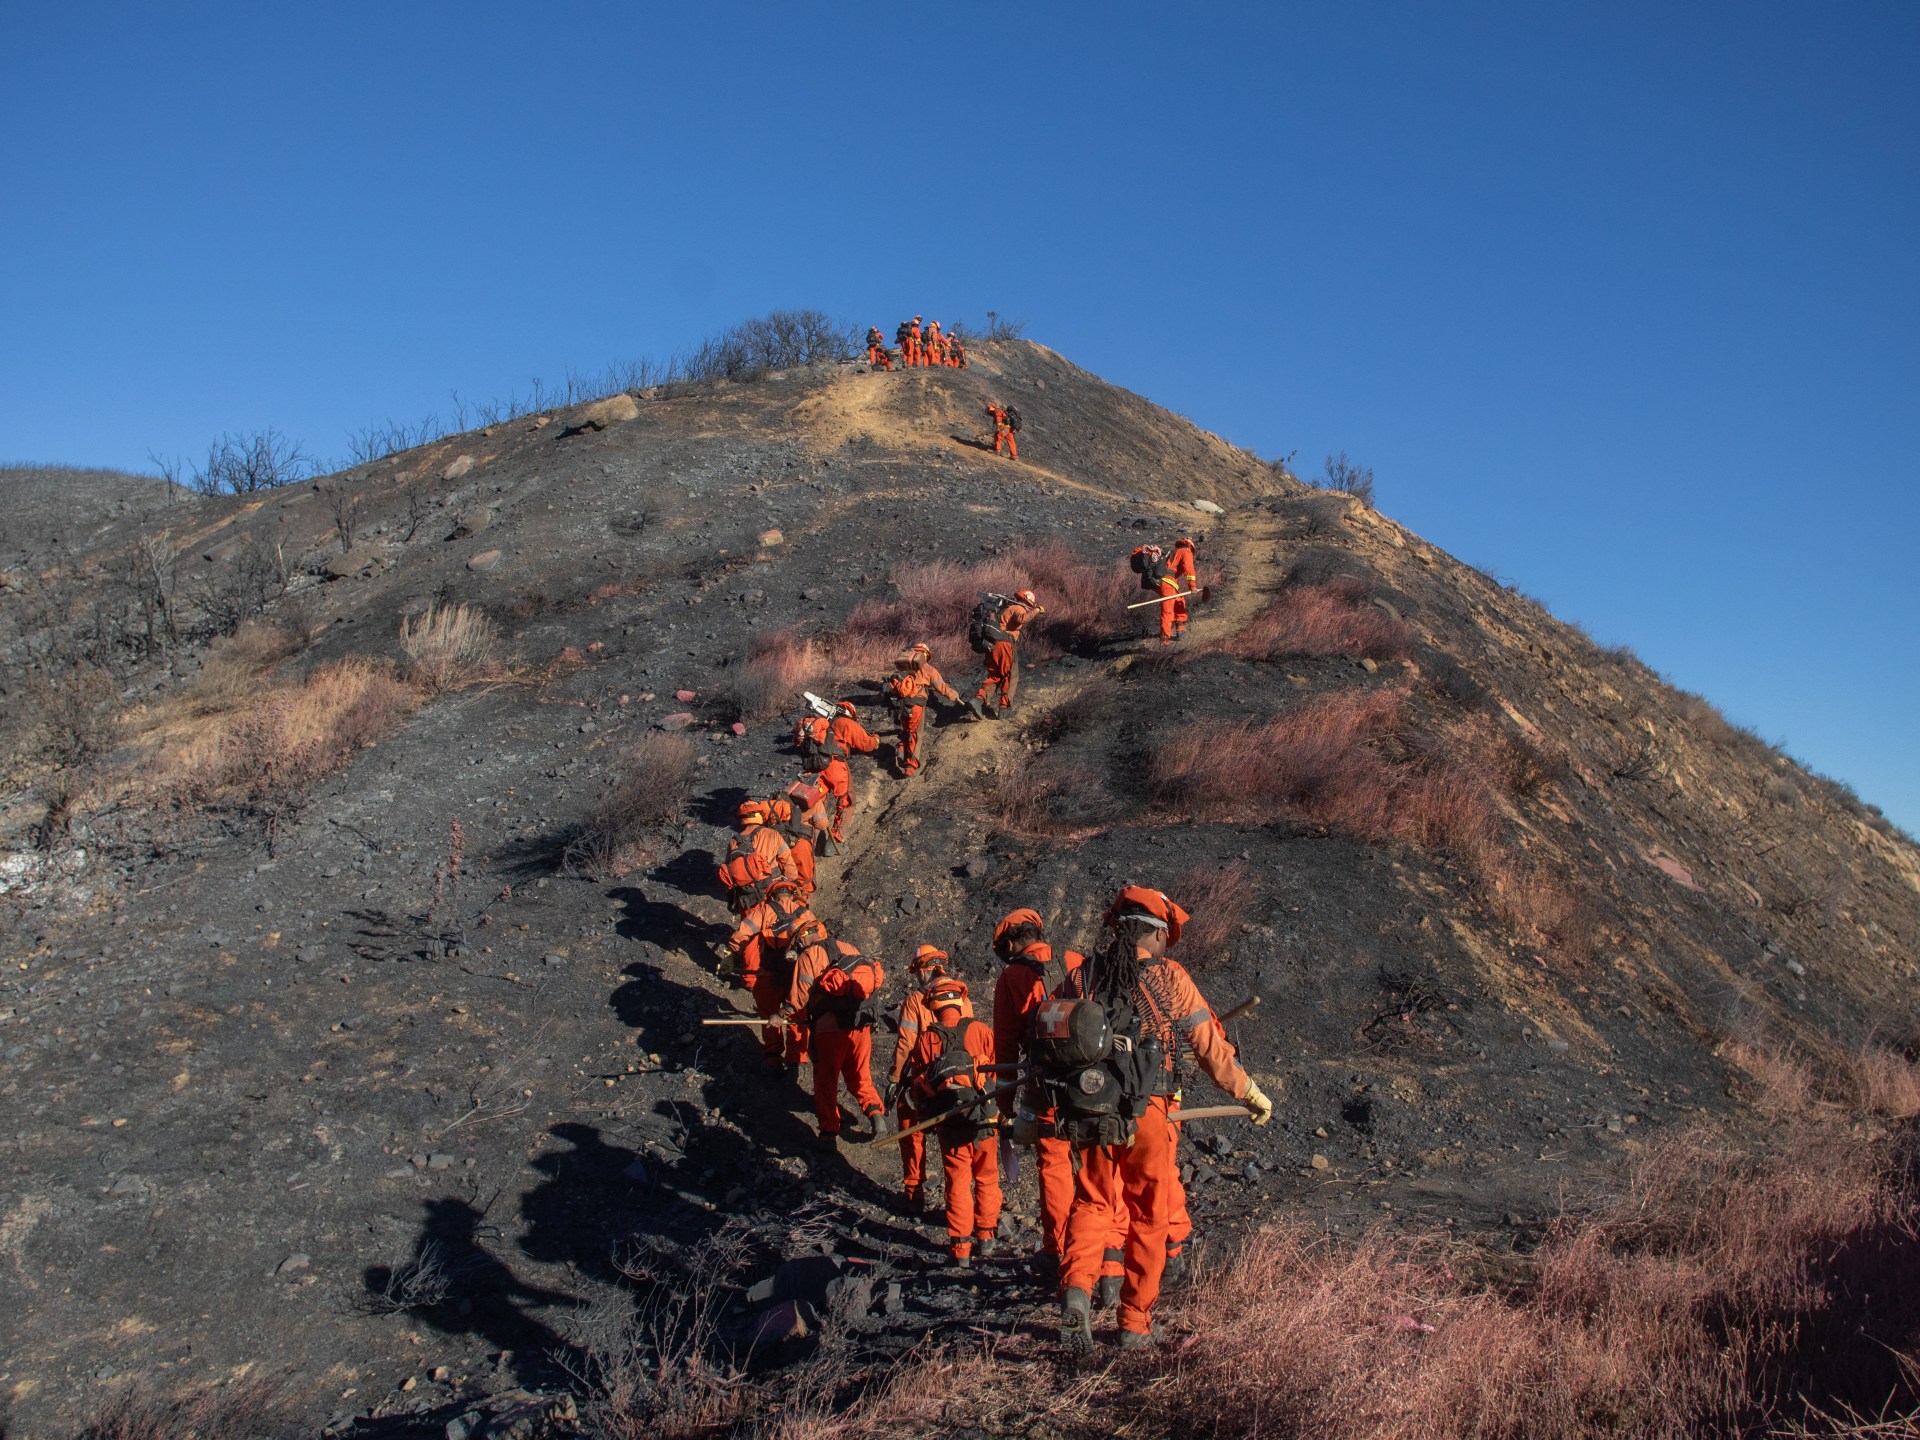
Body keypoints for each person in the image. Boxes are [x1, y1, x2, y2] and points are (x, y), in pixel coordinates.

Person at [1056, 886, 1273, 1353]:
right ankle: (1134, 1322)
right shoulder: (1171, 978)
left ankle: (1076, 1293)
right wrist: (1248, 1091)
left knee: (1093, 1203)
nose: (1166, 946)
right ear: (1153, 934)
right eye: (1164, 937)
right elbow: (1209, 1048)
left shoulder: (1082, 976)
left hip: (1088, 1107)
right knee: (1149, 1215)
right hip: (1148, 1110)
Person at [989, 908, 1085, 1277]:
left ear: (1011, 943)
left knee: (1054, 1162)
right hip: (1091, 1079)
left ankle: (1056, 1251)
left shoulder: (1013, 976)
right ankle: (1106, 1249)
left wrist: (1004, 1106)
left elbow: (1006, 1045)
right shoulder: (1074, 961)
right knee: (1095, 1160)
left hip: (1046, 1082)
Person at [908, 981, 1001, 1265]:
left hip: (949, 1124)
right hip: (984, 1120)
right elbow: (996, 1075)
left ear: (933, 1007)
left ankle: (961, 1247)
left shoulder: (927, 1040)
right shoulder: (982, 1030)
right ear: (959, 1002)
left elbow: (919, 1087)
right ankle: (986, 1236)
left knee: (957, 1181)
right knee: (987, 1176)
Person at [787, 916, 886, 1146]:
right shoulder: (848, 947)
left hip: (829, 1030)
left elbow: (799, 998)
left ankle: (828, 1133)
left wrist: (780, 1015)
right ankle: (876, 1115)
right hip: (860, 1025)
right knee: (861, 1075)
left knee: (826, 1081)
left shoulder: (809, 956)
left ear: (801, 938)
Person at [888, 946, 970, 1214]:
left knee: (910, 1127)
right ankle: (961, 1206)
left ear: (923, 969)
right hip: (958, 1076)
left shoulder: (916, 999)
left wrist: (895, 1077)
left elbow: (906, 1043)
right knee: (956, 1143)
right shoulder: (962, 995)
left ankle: (914, 1193)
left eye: (917, 973)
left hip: (924, 1077)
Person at [722, 878, 817, 1072]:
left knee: (768, 1013)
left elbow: (743, 933)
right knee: (798, 1013)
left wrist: (730, 955)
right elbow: (819, 944)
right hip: (798, 977)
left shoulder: (765, 911)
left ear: (772, 894)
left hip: (768, 974)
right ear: (793, 894)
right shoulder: (806, 913)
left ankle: (773, 1056)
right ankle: (795, 1057)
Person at [796, 701, 879, 846]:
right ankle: (835, 842)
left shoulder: (819, 726)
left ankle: (807, 842)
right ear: (848, 713)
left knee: (815, 802)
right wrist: (876, 739)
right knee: (846, 800)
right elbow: (867, 744)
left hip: (815, 767)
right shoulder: (844, 722)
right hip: (835, 767)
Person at [885, 642, 961, 777]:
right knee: (916, 734)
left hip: (899, 705)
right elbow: (942, 688)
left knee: (906, 729)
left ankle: (902, 750)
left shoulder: (903, 666)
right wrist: (954, 697)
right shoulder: (929, 670)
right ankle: (910, 766)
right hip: (916, 705)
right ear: (926, 656)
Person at [971, 589, 1040, 718]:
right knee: (1011, 676)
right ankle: (1004, 710)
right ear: (1026, 601)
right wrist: (1036, 611)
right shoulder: (1018, 608)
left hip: (993, 644)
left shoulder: (1005, 609)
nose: (1029, 608)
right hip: (1005, 644)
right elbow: (1022, 619)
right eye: (1030, 605)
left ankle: (979, 700)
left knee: (995, 676)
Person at [763, 795, 818, 894]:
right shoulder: (812, 801)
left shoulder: (765, 811)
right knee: (805, 879)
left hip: (780, 847)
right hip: (801, 844)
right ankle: (804, 897)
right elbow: (822, 824)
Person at [1162, 536, 1197, 643]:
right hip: (1167, 582)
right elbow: (1188, 569)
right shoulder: (1186, 552)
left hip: (1168, 581)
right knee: (1168, 610)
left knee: (1179, 601)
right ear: (1190, 546)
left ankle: (1180, 631)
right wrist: (1192, 586)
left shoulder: (1174, 552)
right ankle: (1164, 641)